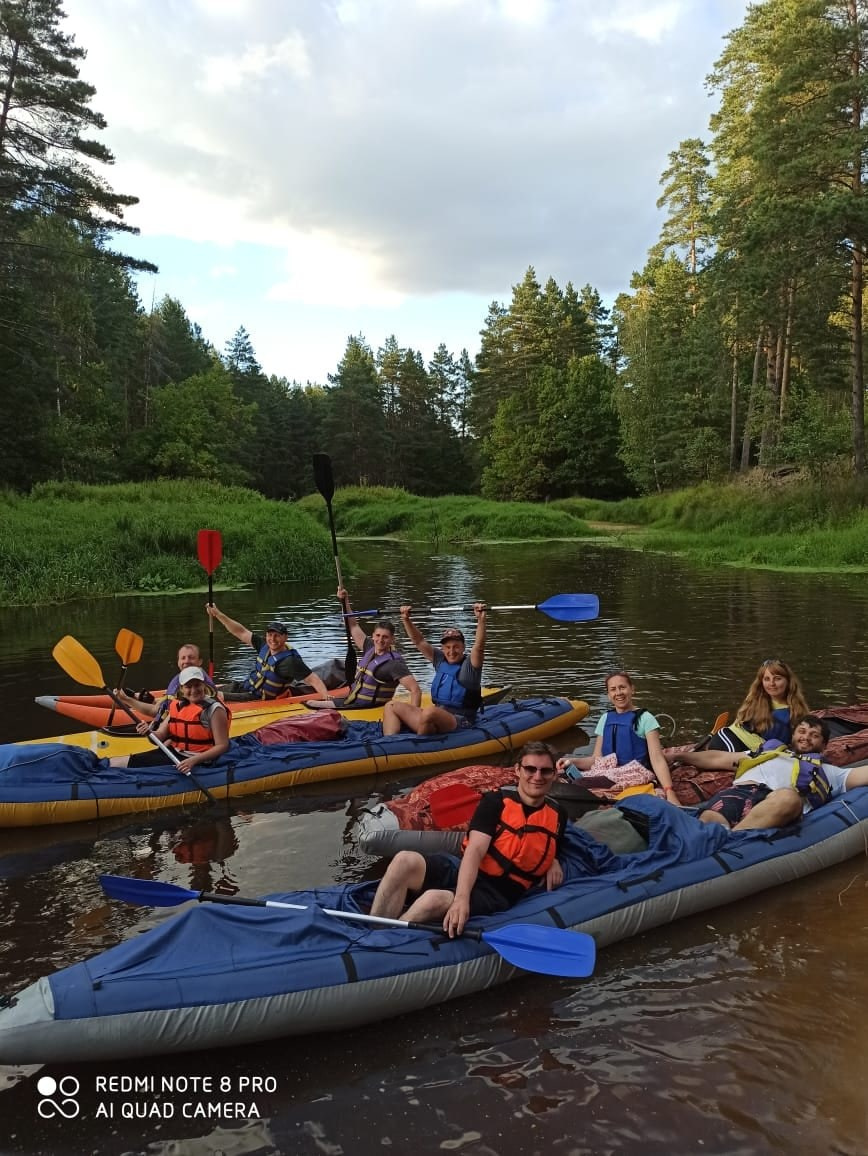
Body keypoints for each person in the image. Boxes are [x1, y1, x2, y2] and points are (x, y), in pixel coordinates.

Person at [369, 741, 567, 936]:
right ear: (518, 770)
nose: (537, 777)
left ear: (554, 774)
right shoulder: (495, 802)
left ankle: (385, 941)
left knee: (432, 900)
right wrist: (461, 900)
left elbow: (547, 843)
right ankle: (373, 930)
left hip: (499, 892)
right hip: (467, 869)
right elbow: (475, 850)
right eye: (530, 769)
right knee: (404, 860)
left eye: (545, 771)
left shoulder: (558, 815)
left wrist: (553, 860)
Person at [696, 714, 868, 830]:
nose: (806, 737)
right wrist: (682, 756)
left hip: (777, 802)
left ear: (823, 745)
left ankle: (734, 839)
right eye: (802, 731)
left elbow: (862, 773)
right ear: (793, 736)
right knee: (709, 820)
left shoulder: (829, 772)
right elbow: (717, 758)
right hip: (740, 792)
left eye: (814, 735)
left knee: (788, 798)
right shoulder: (767, 752)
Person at [556, 670, 679, 803]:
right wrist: (572, 761)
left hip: (636, 773)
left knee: (578, 783)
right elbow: (596, 760)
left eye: (622, 687)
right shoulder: (605, 718)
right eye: (613, 689)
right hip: (609, 771)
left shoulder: (645, 718)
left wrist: (669, 791)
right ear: (609, 695)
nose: (618, 693)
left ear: (632, 689)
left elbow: (657, 759)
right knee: (559, 775)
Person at [306, 586, 422, 711]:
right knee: (309, 703)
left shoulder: (394, 664)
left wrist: (413, 715)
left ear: (392, 639)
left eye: (385, 637)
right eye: (378, 635)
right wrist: (344, 601)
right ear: (373, 636)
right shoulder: (370, 647)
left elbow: (415, 690)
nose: (380, 640)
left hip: (368, 707)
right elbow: (353, 626)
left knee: (312, 704)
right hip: (352, 701)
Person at [382, 602, 486, 735]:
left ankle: (418, 742)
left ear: (463, 648)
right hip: (435, 716)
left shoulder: (470, 667)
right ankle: (390, 742)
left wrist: (481, 620)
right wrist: (406, 620)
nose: (451, 651)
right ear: (443, 648)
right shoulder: (440, 660)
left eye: (456, 647)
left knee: (429, 712)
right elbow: (419, 641)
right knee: (390, 706)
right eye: (447, 647)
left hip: (461, 721)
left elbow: (479, 646)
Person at [110, 666, 230, 774]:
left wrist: (193, 761)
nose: (193, 690)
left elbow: (222, 746)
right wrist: (148, 732)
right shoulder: (177, 706)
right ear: (182, 689)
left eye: (197, 685)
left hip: (200, 760)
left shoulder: (214, 709)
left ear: (204, 685)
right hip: (175, 753)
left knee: (126, 764)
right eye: (188, 686)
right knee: (122, 762)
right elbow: (160, 735)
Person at [205, 604, 329, 701]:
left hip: (258, 697)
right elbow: (240, 632)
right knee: (207, 689)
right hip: (245, 687)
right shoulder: (264, 645)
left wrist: (327, 698)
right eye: (270, 635)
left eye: (277, 635)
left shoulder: (290, 661)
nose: (272, 639)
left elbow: (313, 679)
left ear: (285, 637)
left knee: (213, 696)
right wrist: (218, 614)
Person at [707, 658, 809, 754]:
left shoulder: (797, 710)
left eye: (777, 679)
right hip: (730, 739)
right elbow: (738, 723)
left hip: (756, 750)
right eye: (767, 679)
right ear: (761, 682)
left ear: (788, 681)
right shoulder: (755, 699)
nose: (772, 683)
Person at [114, 642, 218, 734]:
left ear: (200, 661)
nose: (186, 661)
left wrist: (126, 700)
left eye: (191, 658)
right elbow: (163, 706)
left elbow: (155, 711)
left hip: (170, 735)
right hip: (162, 730)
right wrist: (137, 698)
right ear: (178, 662)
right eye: (183, 658)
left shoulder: (196, 689)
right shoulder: (180, 680)